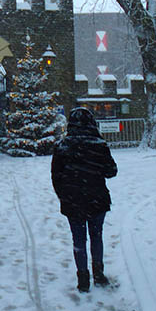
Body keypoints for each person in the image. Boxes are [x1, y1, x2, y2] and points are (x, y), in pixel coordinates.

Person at [51, 107, 117, 293]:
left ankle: (83, 278)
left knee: (78, 240)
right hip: (97, 198)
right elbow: (111, 171)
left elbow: (56, 176)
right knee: (96, 236)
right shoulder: (99, 145)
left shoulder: (62, 147)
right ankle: (98, 273)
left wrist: (64, 195)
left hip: (73, 200)